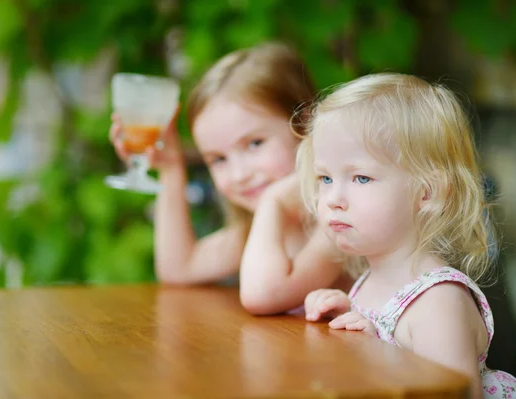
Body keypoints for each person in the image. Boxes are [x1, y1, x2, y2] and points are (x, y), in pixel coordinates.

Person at [299, 73, 516, 398]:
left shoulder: (438, 301)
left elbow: (451, 394)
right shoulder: (372, 282)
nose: (332, 198)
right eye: (325, 178)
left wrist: (372, 353)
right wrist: (345, 320)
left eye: (361, 178)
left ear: (427, 193)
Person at [110, 42, 352, 314]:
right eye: (218, 159)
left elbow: (266, 295)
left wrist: (273, 200)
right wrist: (171, 168)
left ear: (306, 123)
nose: (239, 175)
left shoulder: (338, 223)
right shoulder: (258, 228)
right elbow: (179, 268)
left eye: (254, 144)